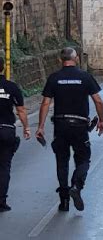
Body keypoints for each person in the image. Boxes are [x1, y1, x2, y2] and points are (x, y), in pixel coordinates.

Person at [35, 48, 103, 212]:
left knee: (62, 161)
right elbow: (98, 101)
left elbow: (45, 103)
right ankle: (76, 185)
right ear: (76, 59)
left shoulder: (54, 78)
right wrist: (101, 120)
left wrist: (40, 126)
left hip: (60, 125)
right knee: (83, 159)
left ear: (61, 60)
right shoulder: (85, 77)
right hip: (80, 126)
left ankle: (64, 201)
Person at [0, 58, 30, 212]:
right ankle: (1, 202)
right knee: (4, 167)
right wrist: (26, 128)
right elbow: (21, 110)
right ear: (3, 68)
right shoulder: (11, 87)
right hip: (6, 130)